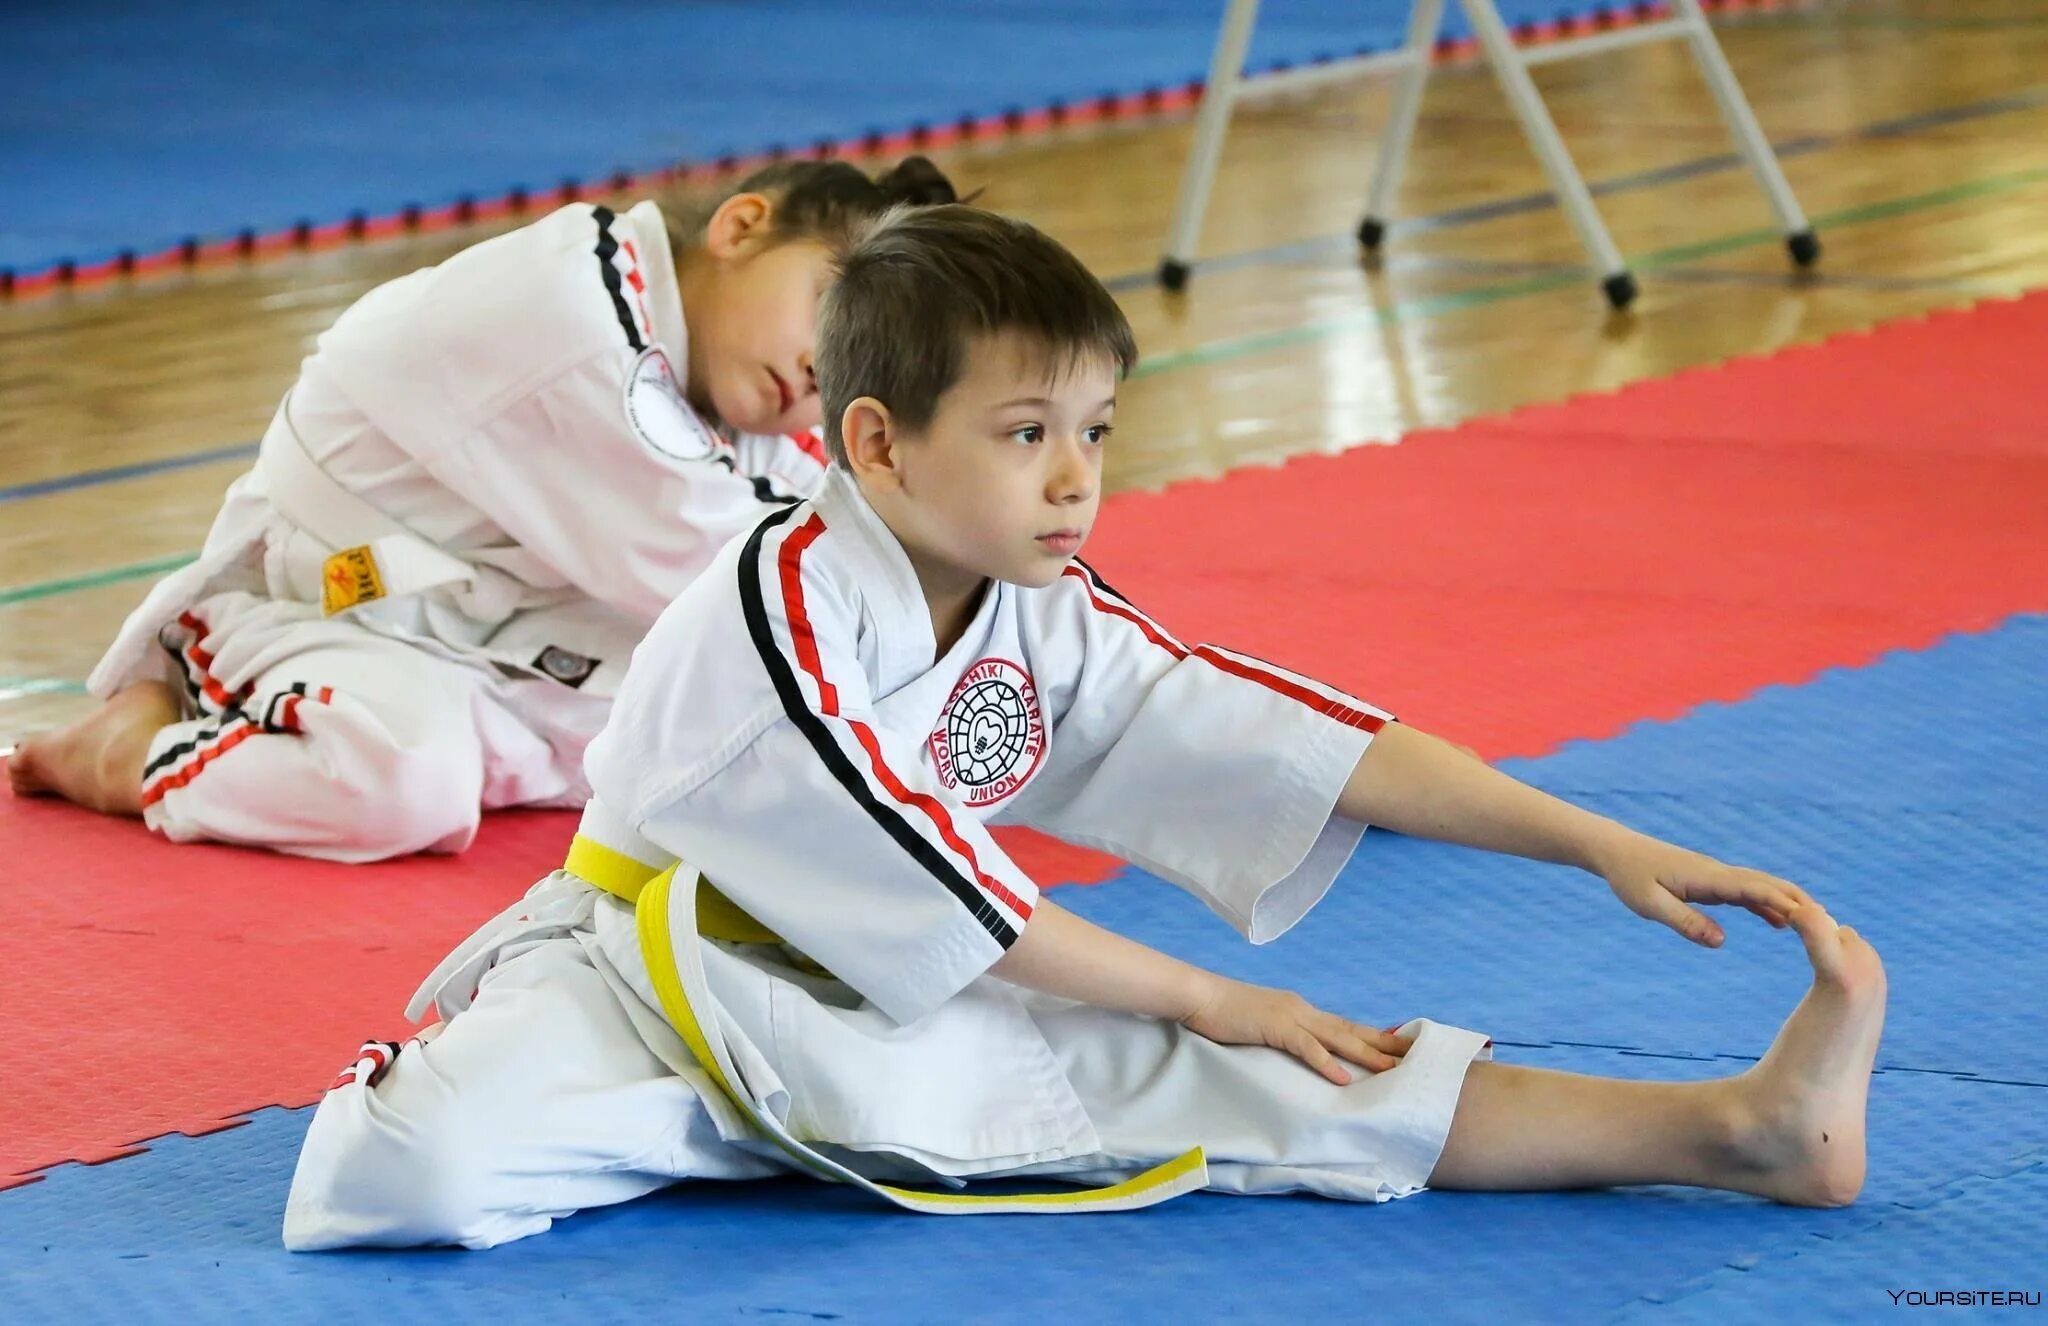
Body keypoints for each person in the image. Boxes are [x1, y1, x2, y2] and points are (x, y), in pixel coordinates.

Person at [282, 205, 1885, 1250]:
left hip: (909, 990)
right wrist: (1215, 994)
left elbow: (1287, 730)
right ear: (876, 444)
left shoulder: (1037, 595)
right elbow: (951, 889)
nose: (1076, 479)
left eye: (1097, 431)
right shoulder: (775, 603)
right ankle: (720, 1125)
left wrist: (1598, 837)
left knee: (1276, 1082)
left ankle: (1735, 1125)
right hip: (651, 978)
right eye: (1027, 431)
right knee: (402, 1177)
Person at [7, 157, 957, 861]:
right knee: (411, 785)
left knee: (764, 736)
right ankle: (142, 752)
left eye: (853, 369)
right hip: (331, 601)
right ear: (743, 226)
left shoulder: (713, 365)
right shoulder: (580, 322)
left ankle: (487, 748)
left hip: (482, 616)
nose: (820, 374)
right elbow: (743, 564)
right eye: (828, 314)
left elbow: (800, 531)